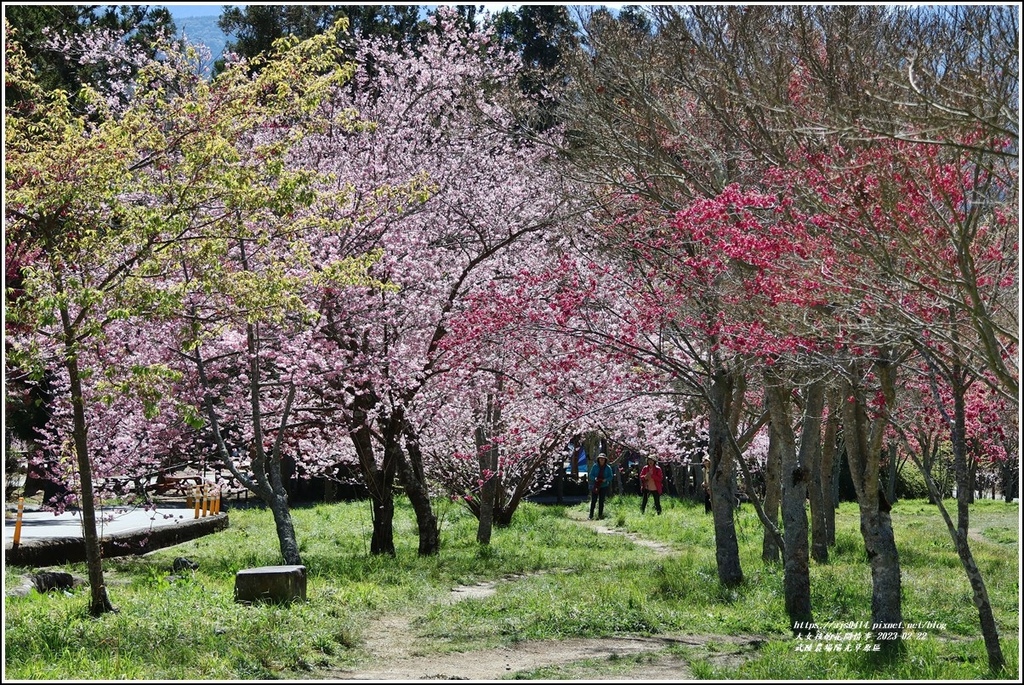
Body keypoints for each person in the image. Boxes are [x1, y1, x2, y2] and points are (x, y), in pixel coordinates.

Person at [588, 453, 614, 520]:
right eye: (600, 459)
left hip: (604, 486)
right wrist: (595, 478)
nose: (601, 460)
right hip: (596, 485)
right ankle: (591, 515)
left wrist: (606, 479)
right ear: (598, 459)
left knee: (601, 501)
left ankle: (600, 515)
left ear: (605, 460)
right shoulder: (595, 466)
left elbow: (611, 476)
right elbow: (591, 475)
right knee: (593, 500)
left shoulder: (608, 467)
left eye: (603, 459)